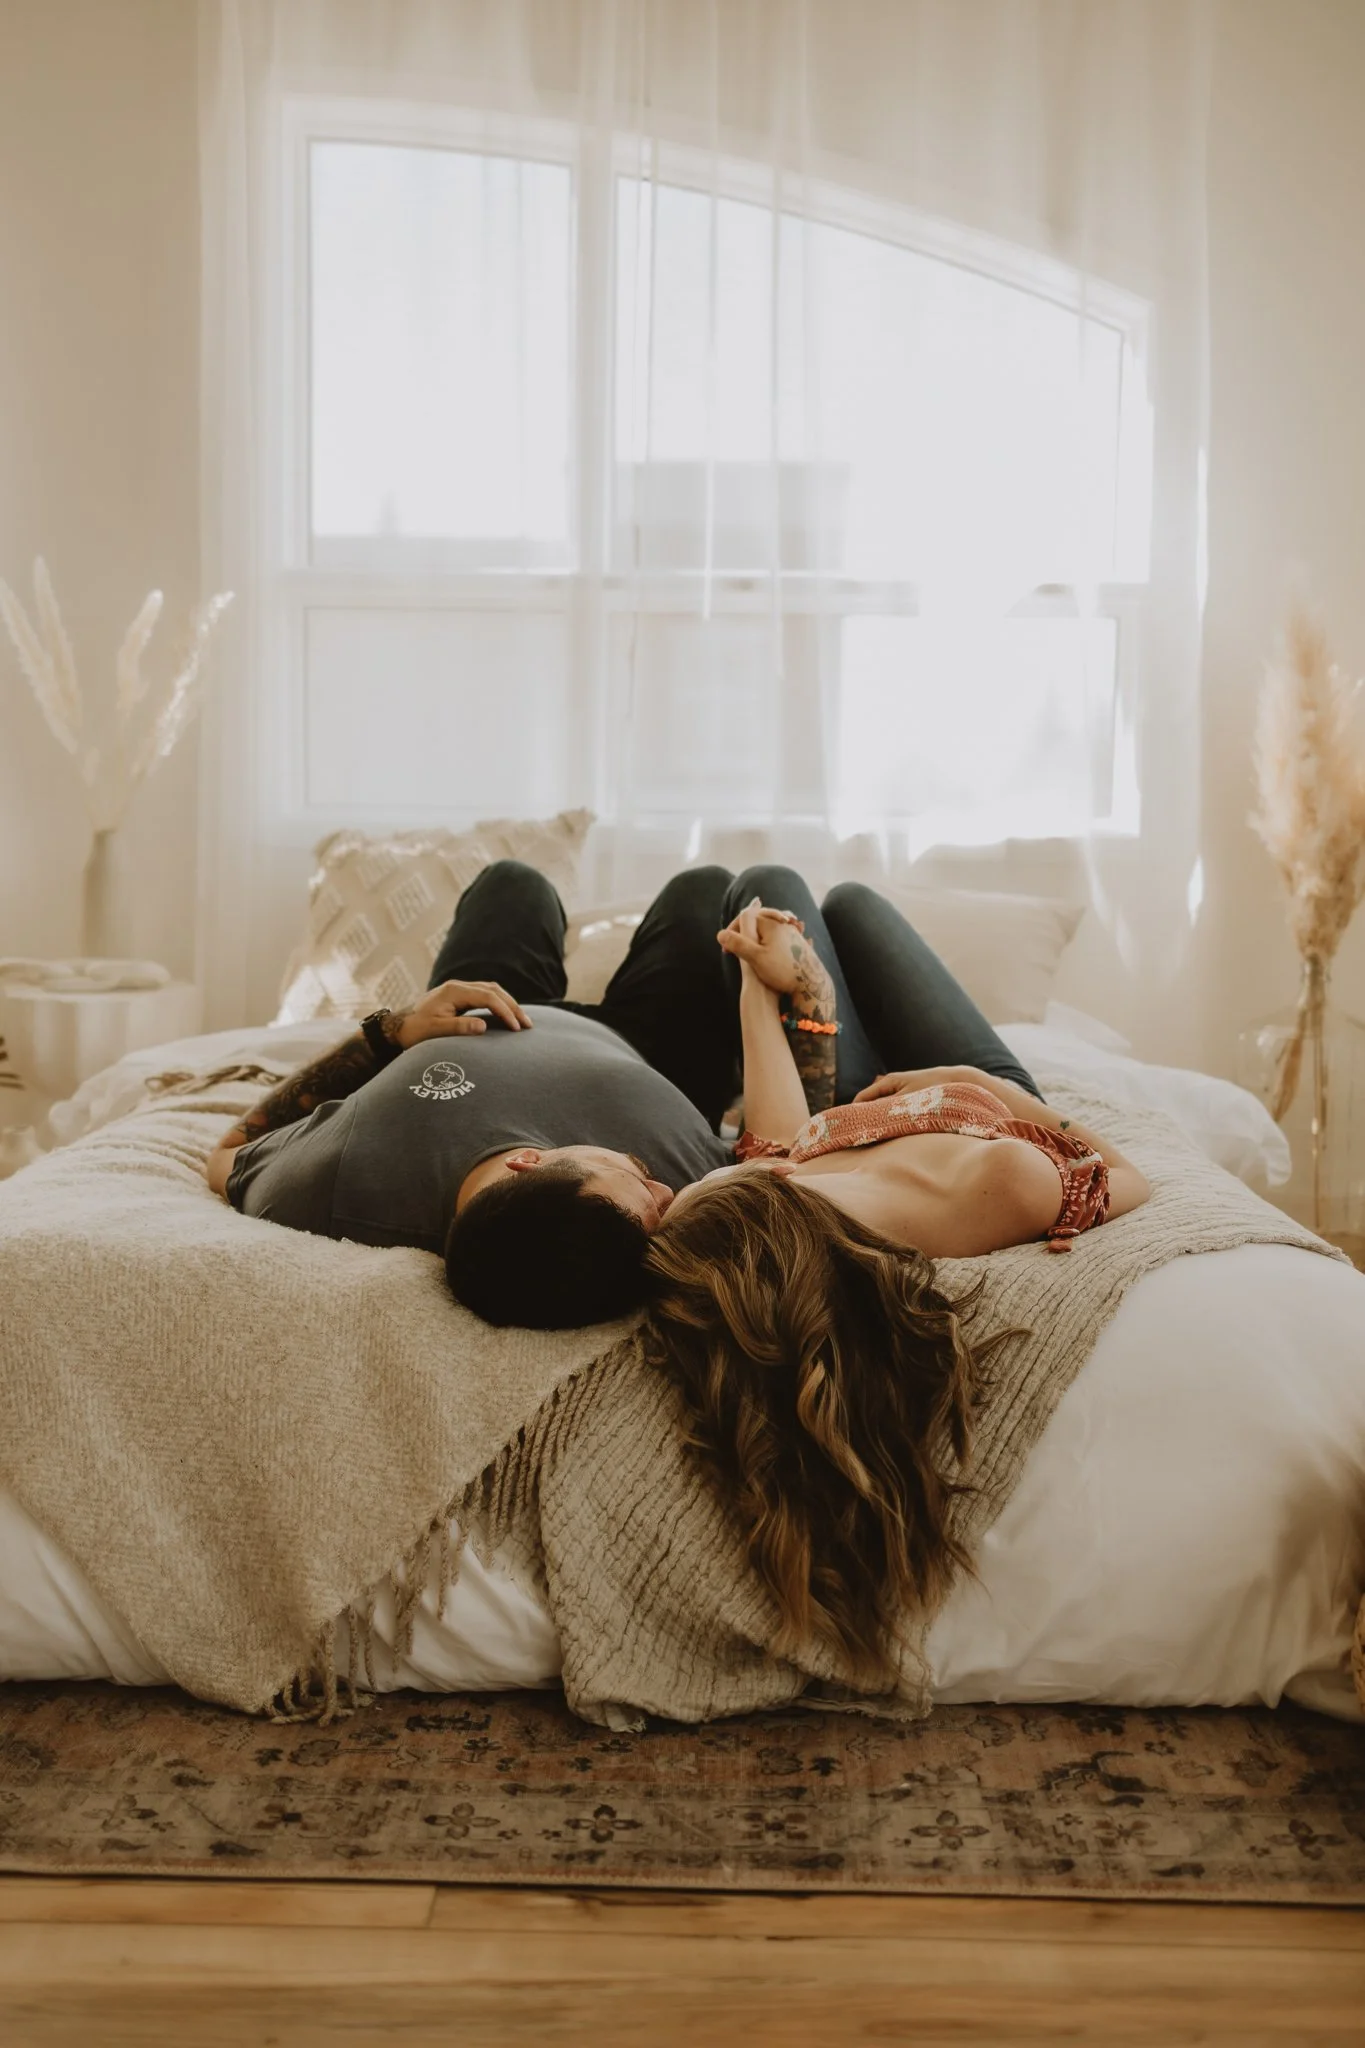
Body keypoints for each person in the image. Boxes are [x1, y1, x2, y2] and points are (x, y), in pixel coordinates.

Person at [637, 892, 1151, 1687]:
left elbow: (774, 1137)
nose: (742, 1161)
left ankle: (780, 955)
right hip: (968, 1082)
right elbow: (1129, 1180)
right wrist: (989, 1086)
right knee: (853, 905)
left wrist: (758, 985)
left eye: (739, 1167)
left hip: (856, 1088)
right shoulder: (999, 1185)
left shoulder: (794, 1195)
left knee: (755, 900)